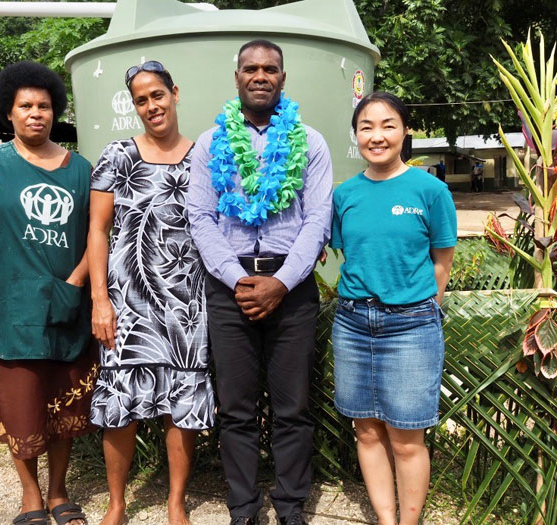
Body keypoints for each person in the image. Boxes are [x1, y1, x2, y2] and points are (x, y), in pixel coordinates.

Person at [188, 40, 333, 525]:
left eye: (270, 69)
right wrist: (237, 279)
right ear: (237, 79)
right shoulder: (210, 144)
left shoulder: (310, 142)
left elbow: (317, 220)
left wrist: (282, 282)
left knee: (292, 408)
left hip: (291, 289)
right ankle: (244, 510)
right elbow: (200, 219)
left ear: (283, 79)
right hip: (229, 290)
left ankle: (291, 508)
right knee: (236, 409)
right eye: (250, 68)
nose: (260, 76)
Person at [0, 61, 97, 525]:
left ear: (56, 111)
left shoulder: (81, 169)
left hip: (68, 304)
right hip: (10, 308)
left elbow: (97, 236)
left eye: (45, 106)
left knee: (64, 398)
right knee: (21, 403)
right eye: (26, 106)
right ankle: (30, 495)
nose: (37, 114)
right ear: (7, 113)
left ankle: (58, 492)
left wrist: (75, 283)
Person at [88, 60, 215, 525]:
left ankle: (176, 502)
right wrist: (100, 300)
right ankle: (117, 503)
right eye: (141, 99)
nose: (151, 106)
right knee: (121, 402)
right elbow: (98, 231)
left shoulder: (204, 154)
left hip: (186, 301)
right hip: (128, 300)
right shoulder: (118, 155)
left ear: (174, 93)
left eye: (157, 95)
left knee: (183, 402)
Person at [330, 92, 456, 525]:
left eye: (387, 125)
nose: (377, 135)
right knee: (366, 430)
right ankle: (386, 519)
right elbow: (347, 257)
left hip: (411, 325)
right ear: (357, 135)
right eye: (366, 126)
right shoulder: (344, 195)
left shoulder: (431, 190)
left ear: (405, 131)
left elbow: (442, 262)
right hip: (351, 323)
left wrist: (420, 310)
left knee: (406, 437)